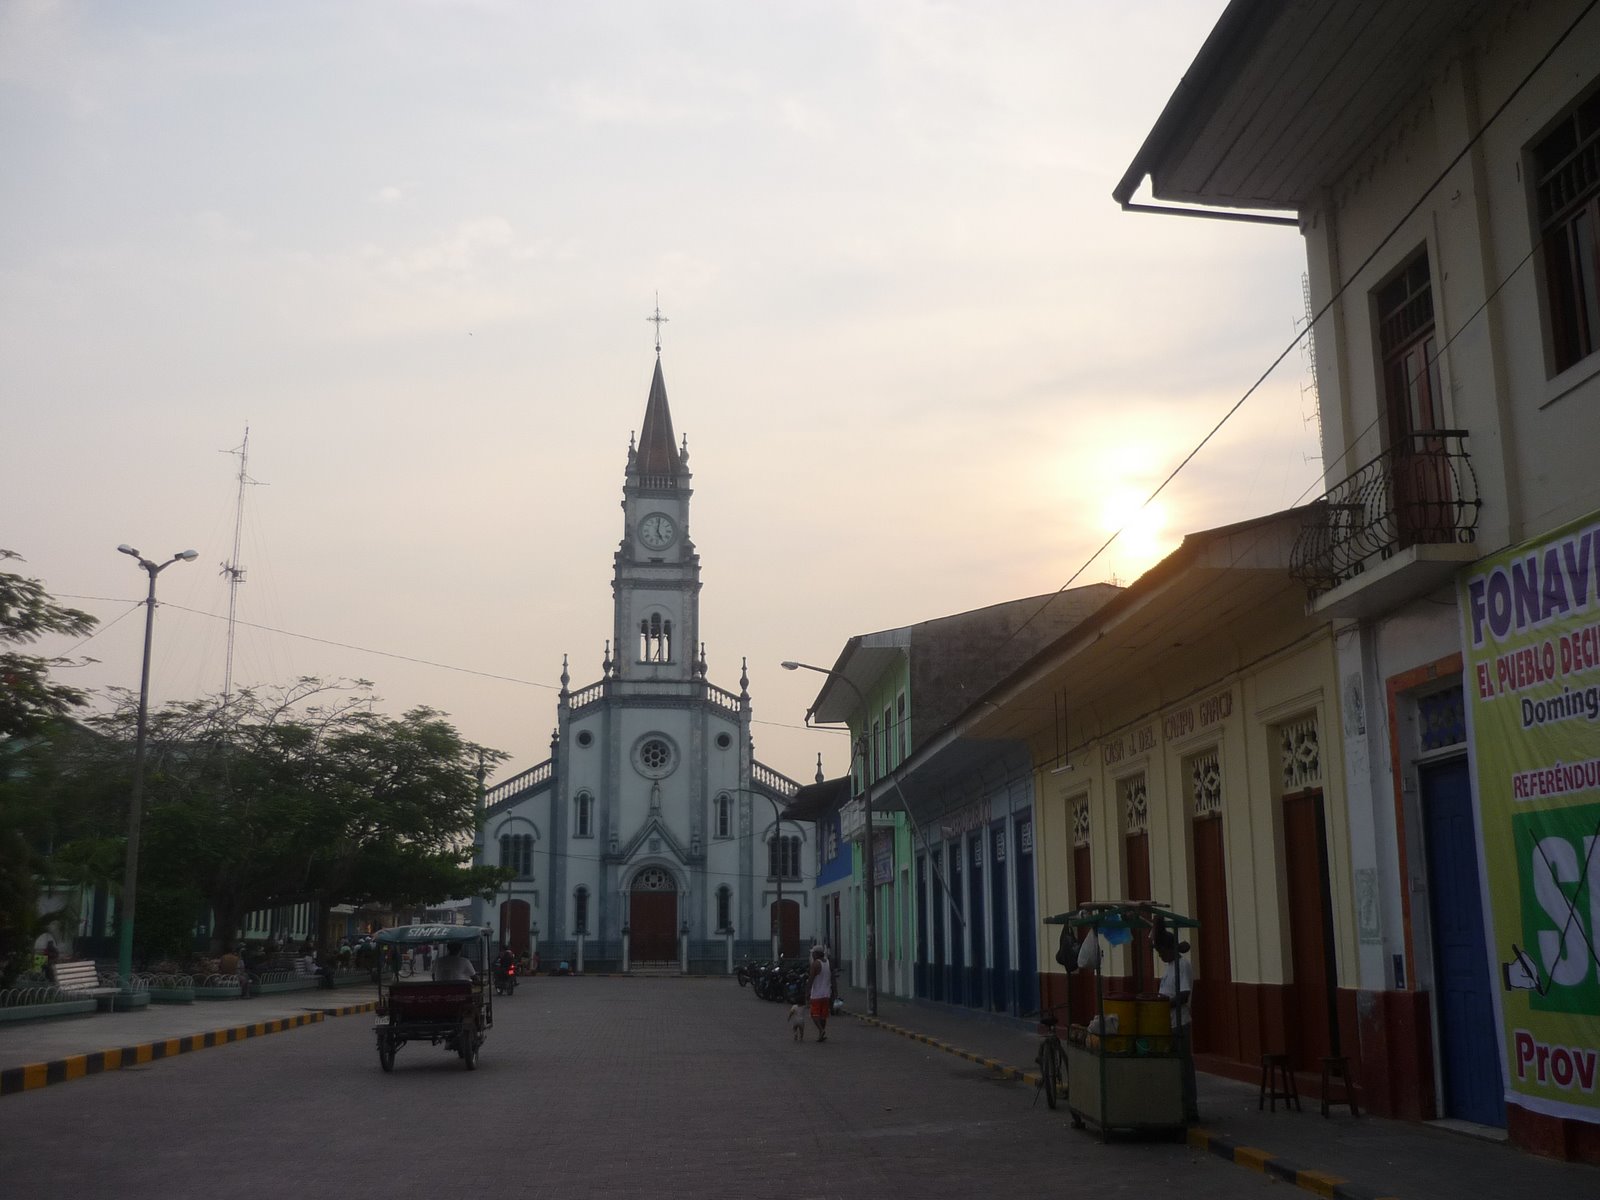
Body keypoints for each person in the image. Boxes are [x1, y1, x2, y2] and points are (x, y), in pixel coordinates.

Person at [1157, 937, 1198, 1123]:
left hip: (1179, 1023)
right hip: (1169, 1023)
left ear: (1169, 949)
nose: (1160, 956)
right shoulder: (1170, 967)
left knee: (1183, 1066)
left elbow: (1183, 995)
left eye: (1161, 952)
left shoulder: (1182, 966)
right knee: (1173, 1067)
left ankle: (1190, 1109)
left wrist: (1163, 1005)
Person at [806, 945, 835, 1043]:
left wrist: (807, 992)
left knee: (814, 1015)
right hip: (826, 994)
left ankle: (821, 1030)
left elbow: (810, 979)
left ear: (817, 954)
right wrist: (835, 991)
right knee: (823, 1016)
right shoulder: (828, 963)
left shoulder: (815, 964)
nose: (812, 955)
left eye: (813, 953)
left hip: (816, 994)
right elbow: (833, 978)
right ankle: (821, 1034)